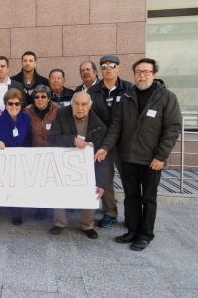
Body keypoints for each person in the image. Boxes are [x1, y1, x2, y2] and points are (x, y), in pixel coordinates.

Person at [95, 58, 181, 251]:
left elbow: (172, 129)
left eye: (146, 72)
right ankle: (132, 230)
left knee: (148, 198)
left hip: (152, 159)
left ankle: (145, 234)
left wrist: (161, 156)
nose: (142, 75)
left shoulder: (166, 97)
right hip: (128, 157)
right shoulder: (127, 96)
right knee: (131, 196)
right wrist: (105, 147)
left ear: (154, 74)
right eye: (139, 72)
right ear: (134, 74)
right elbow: (116, 126)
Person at [48, 92, 106, 239]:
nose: (80, 108)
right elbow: (52, 139)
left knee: (92, 189)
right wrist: (72, 141)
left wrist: (101, 182)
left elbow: (102, 157)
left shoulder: (98, 123)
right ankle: (60, 222)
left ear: (90, 106)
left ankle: (87, 225)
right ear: (72, 104)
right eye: (77, 104)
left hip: (88, 165)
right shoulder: (61, 114)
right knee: (58, 189)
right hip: (63, 162)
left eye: (84, 104)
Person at [88, 55, 133, 229]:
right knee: (104, 180)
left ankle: (132, 215)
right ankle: (110, 213)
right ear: (100, 70)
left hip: (124, 144)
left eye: (111, 66)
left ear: (118, 68)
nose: (108, 69)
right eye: (104, 66)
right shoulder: (93, 91)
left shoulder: (129, 89)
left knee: (129, 181)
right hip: (102, 146)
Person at [0, 88, 31, 225]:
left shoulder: (26, 119)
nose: (14, 106)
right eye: (10, 103)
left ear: (21, 105)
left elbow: (28, 139)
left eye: (17, 103)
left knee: (16, 185)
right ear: (5, 104)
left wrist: (25, 151)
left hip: (17, 159)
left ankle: (16, 211)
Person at [24, 85, 59, 220]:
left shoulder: (58, 110)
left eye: (43, 96)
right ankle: (41, 207)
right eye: (36, 97)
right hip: (36, 151)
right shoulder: (27, 111)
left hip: (54, 152)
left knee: (53, 182)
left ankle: (56, 207)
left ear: (49, 98)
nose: (39, 99)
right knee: (40, 182)